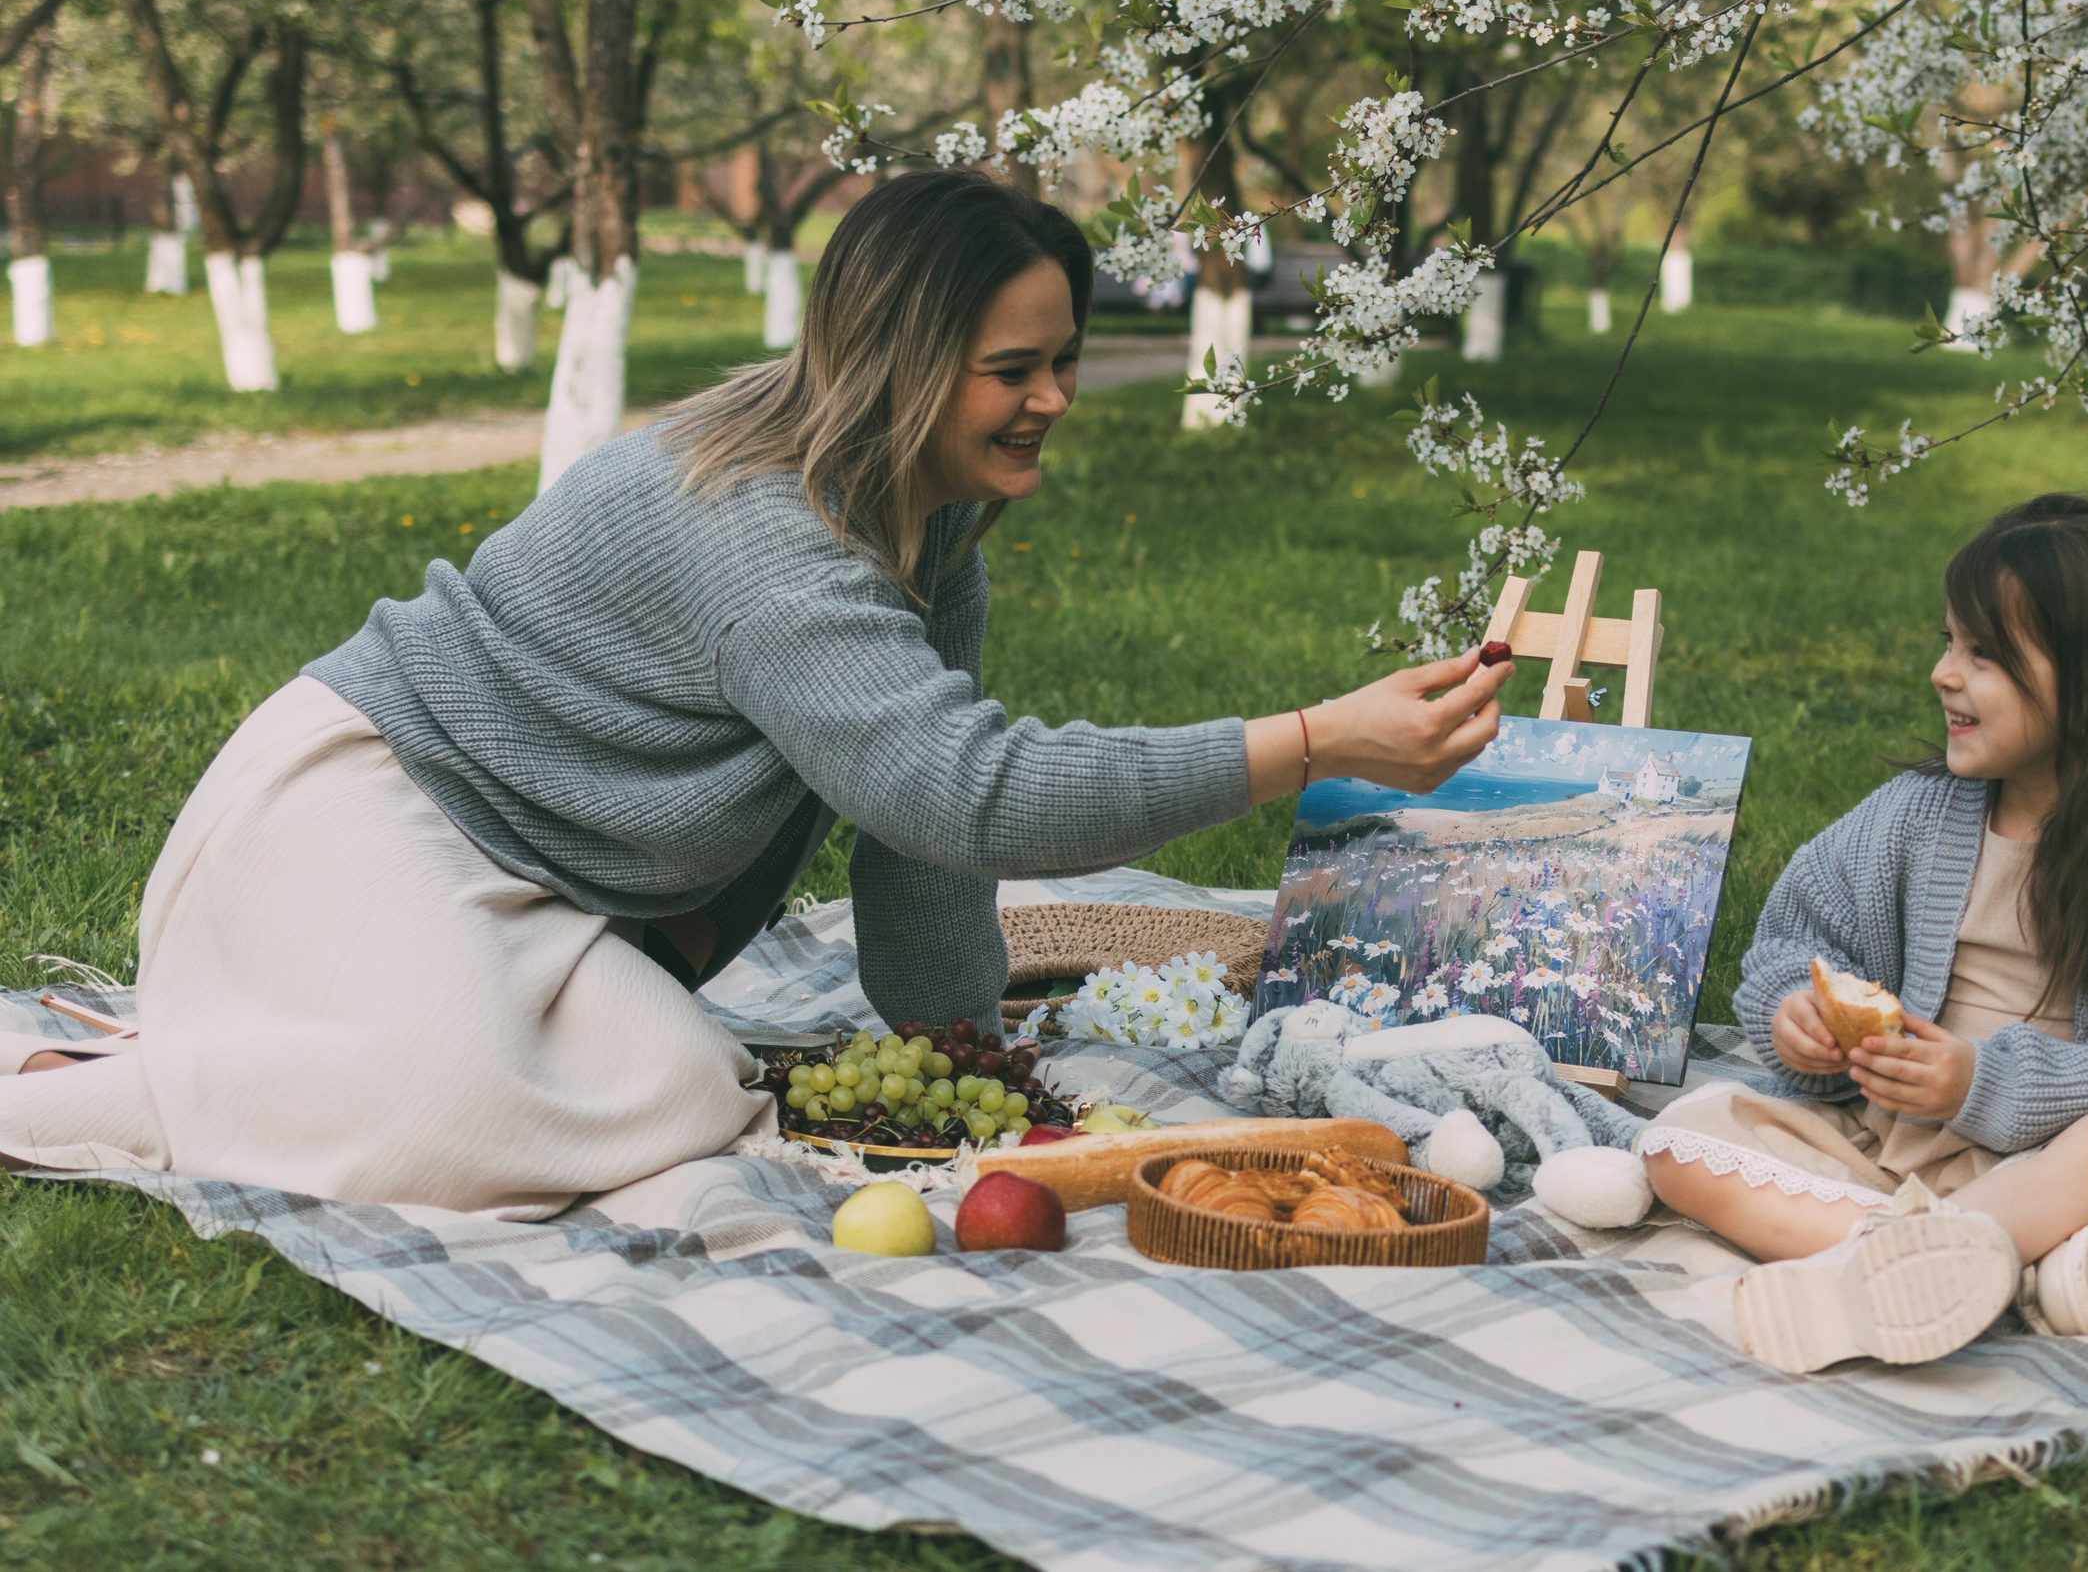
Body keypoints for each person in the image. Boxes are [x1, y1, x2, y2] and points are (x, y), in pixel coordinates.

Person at [0, 170, 1513, 1217]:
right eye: (1013, 368)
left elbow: (924, 830)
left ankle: (294, 1046)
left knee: (680, 1089)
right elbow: (963, 786)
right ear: (905, 361)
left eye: (1063, 359)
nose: (1054, 398)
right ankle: (91, 1083)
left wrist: (963, 1042)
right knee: (456, 1120)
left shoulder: (927, 514)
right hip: (363, 811)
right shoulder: (767, 525)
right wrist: (1311, 741)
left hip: (542, 884)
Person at [1640, 495, 2088, 1372]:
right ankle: (1974, 1269)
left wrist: (1984, 1080)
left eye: (1984, 654)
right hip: (1893, 1148)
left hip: (2061, 1163)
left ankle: (1891, 1269)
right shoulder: (1916, 816)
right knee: (1679, 1140)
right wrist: (1797, 1014)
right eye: (1948, 641)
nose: (1944, 672)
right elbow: (1799, 938)